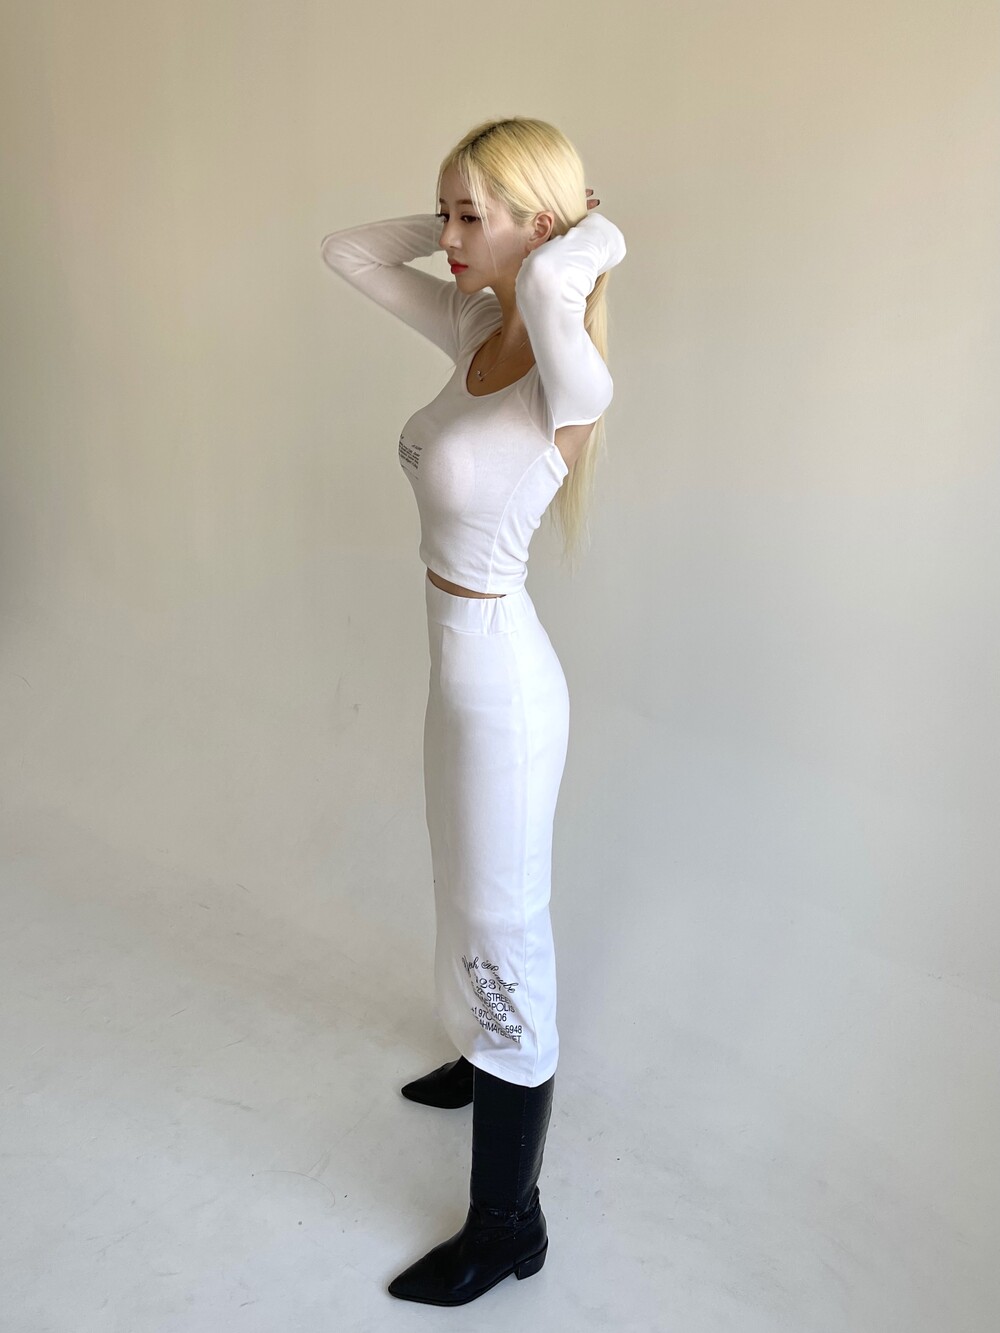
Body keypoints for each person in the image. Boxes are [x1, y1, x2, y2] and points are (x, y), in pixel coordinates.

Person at [319, 116, 626, 1306]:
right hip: (453, 662)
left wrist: (582, 240)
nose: (446, 237)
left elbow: (551, 290)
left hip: (502, 682)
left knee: (504, 926)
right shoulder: (475, 325)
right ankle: (476, 1050)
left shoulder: (565, 371)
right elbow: (348, 252)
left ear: (541, 232)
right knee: (458, 877)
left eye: (467, 215)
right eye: (441, 211)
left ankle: (510, 1220)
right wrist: (491, 234)